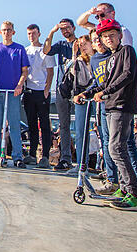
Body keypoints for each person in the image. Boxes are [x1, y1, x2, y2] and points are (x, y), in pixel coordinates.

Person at [83, 19, 137, 210]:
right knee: (116, 149)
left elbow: (126, 75)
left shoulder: (127, 51)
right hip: (110, 106)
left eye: (112, 35)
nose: (108, 39)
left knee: (117, 149)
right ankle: (125, 189)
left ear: (119, 35)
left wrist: (105, 92)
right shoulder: (111, 58)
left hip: (122, 105)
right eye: (105, 36)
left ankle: (135, 194)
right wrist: (86, 94)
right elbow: (104, 82)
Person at [0, 21, 29, 168]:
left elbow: (24, 71)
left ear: (13, 32)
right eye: (4, 30)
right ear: (0, 32)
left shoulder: (19, 49)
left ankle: (17, 156)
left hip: (13, 93)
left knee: (15, 125)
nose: (6, 33)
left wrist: (19, 85)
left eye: (9, 30)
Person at [87, 29, 119, 193]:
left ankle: (119, 179)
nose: (98, 42)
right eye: (94, 40)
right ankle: (110, 176)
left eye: (99, 39)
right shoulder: (94, 59)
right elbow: (96, 83)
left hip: (115, 103)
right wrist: (85, 93)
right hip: (101, 104)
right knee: (105, 141)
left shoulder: (113, 56)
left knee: (116, 143)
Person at [43, 18, 78, 170]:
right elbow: (46, 50)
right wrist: (52, 31)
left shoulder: (81, 42)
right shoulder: (61, 45)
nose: (65, 31)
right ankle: (65, 159)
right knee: (63, 126)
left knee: (82, 126)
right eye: (62, 29)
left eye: (67, 28)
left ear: (73, 28)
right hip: (62, 88)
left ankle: (82, 160)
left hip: (79, 88)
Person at [22, 25, 55, 167]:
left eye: (34, 33)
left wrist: (47, 89)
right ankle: (32, 154)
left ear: (39, 34)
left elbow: (50, 72)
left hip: (42, 91)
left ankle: (45, 156)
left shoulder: (45, 50)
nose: (31, 36)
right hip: (29, 91)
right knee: (31, 125)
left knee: (44, 125)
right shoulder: (25, 50)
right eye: (29, 34)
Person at [70, 35, 96, 175]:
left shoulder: (100, 58)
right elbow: (75, 76)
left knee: (103, 133)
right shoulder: (79, 61)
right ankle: (81, 164)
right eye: (80, 45)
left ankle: (110, 171)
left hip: (98, 96)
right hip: (82, 96)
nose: (83, 47)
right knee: (80, 132)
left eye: (85, 43)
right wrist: (75, 55)